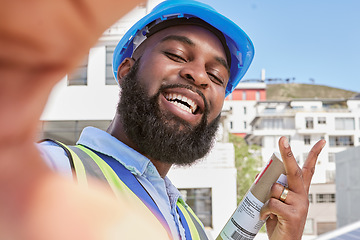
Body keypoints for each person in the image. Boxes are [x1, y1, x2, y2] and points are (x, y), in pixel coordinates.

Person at [0, 0, 325, 240]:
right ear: (127, 71)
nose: (198, 75)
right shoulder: (54, 171)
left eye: (216, 76)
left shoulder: (188, 224)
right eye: (177, 55)